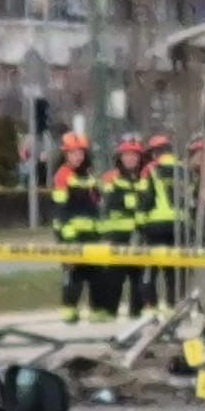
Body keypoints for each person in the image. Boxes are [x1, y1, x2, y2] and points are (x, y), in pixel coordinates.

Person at [51, 132, 108, 324]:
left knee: (96, 275)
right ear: (66, 154)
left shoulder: (89, 174)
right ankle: (69, 311)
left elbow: (97, 202)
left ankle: (96, 310)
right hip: (71, 235)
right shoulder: (62, 175)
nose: (78, 156)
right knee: (74, 275)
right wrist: (67, 238)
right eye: (73, 152)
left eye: (80, 152)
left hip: (92, 234)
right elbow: (61, 210)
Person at [99, 133, 154, 318]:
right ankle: (109, 319)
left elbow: (149, 203)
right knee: (113, 283)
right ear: (119, 157)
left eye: (135, 155)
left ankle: (134, 322)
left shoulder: (145, 178)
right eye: (127, 154)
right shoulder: (110, 178)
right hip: (116, 238)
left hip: (139, 237)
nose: (131, 158)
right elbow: (110, 204)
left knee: (138, 283)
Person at [136, 133, 183, 317]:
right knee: (172, 272)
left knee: (149, 269)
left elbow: (145, 199)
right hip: (179, 226)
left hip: (155, 226)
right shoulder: (183, 169)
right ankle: (173, 309)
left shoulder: (150, 169)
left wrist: (140, 224)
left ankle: (151, 310)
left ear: (154, 153)